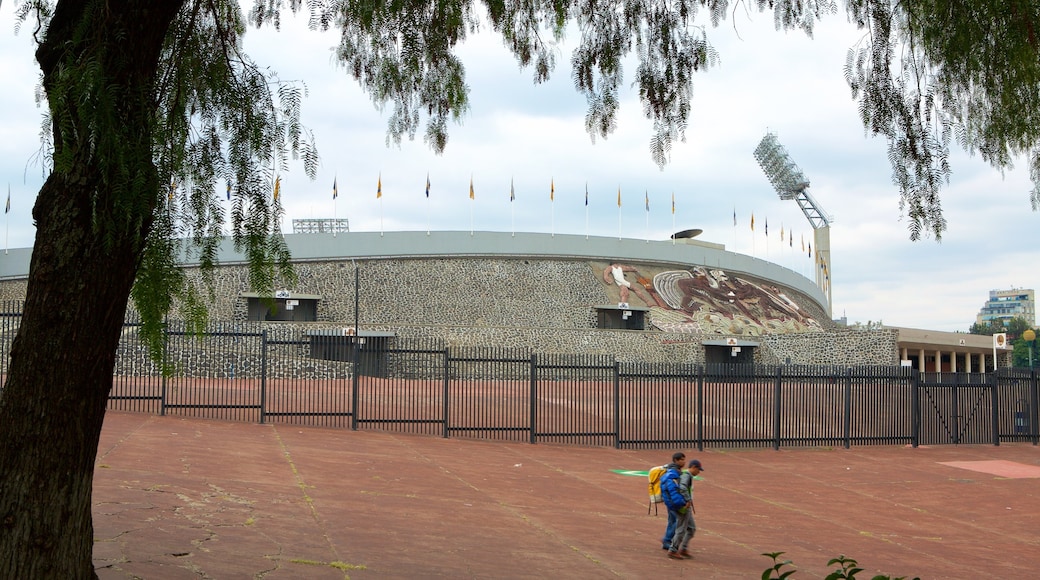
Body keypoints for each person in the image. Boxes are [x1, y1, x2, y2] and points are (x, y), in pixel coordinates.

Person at [667, 459, 703, 559]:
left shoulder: (686, 475)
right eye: (698, 469)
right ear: (694, 467)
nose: (698, 472)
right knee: (681, 528)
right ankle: (673, 549)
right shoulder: (686, 476)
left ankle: (683, 548)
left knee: (691, 528)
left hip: (685, 505)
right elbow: (682, 487)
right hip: (683, 506)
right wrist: (687, 500)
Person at [659, 452, 686, 550]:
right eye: (682, 460)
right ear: (676, 460)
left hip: (670, 501)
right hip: (673, 502)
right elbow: (673, 490)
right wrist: (679, 502)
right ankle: (667, 539)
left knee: (672, 520)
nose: (684, 462)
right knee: (677, 521)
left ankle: (667, 540)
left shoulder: (673, 471)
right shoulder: (673, 473)